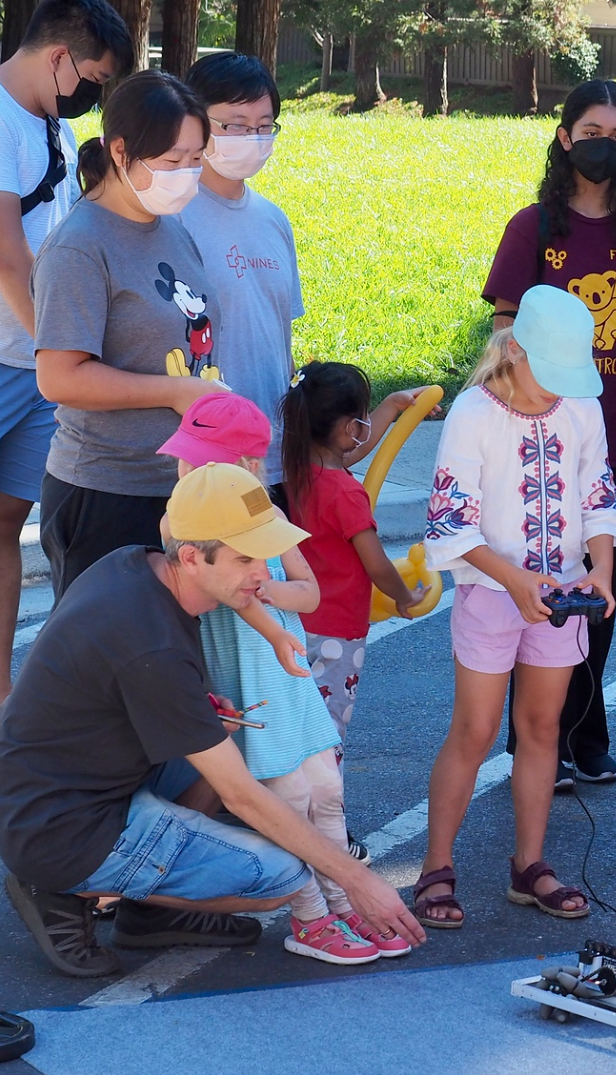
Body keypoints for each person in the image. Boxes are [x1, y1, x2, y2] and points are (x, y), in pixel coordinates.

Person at [0, 461, 425, 979]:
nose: (262, 573)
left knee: (227, 735)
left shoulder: (134, 565)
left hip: (61, 789)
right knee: (283, 877)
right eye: (245, 557)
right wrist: (359, 880)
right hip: (61, 830)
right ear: (192, 557)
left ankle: (151, 912)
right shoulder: (150, 642)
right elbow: (242, 795)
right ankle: (65, 887)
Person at [157, 393, 410, 963]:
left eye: (202, 461)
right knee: (289, 797)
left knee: (327, 789)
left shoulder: (268, 518)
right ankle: (309, 918)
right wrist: (255, 597)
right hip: (246, 685)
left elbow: (311, 590)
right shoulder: (181, 519)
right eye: (185, 459)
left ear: (247, 468)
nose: (185, 471)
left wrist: (262, 586)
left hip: (287, 677)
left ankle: (347, 904)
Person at [483, 78, 616, 788]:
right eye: (594, 131)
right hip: (539, 441)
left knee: (599, 593)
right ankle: (533, 736)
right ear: (565, 137)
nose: (607, 146)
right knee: (543, 586)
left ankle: (584, 728)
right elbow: (504, 331)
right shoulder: (532, 228)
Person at [415, 285, 616, 928]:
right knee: (475, 730)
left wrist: (600, 569)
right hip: (490, 593)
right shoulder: (473, 414)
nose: (557, 392)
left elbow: (598, 495)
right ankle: (434, 868)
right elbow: (452, 522)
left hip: (561, 595)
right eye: (549, 376)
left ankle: (528, 865)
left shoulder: (581, 407)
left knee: (542, 729)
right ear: (514, 351)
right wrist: (513, 581)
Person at [34, 69, 225, 605]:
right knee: (106, 669)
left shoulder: (169, 224)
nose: (186, 175)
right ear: (120, 151)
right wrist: (174, 392)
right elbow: (59, 377)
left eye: (195, 159)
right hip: (106, 491)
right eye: (171, 162)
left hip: (179, 488)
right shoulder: (80, 246)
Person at [0, 0, 131, 702]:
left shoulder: (45, 118)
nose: (92, 95)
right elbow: (9, 258)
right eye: (93, 78)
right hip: (18, 357)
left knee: (7, 530)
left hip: (31, 363)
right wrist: (60, 354)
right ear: (59, 57)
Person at [281, 360, 431, 859]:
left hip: (298, 625)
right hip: (338, 636)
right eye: (363, 418)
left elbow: (346, 452)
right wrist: (406, 597)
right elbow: (376, 564)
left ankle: (292, 820)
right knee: (328, 739)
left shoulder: (297, 471)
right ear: (347, 427)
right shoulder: (346, 492)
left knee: (298, 728)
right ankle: (328, 836)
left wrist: (387, 409)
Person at [181, 51, 303, 486]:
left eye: (264, 126)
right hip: (201, 460)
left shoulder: (274, 220)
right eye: (234, 125)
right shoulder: (170, 214)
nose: (251, 138)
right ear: (194, 120)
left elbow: (280, 340)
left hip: (272, 457)